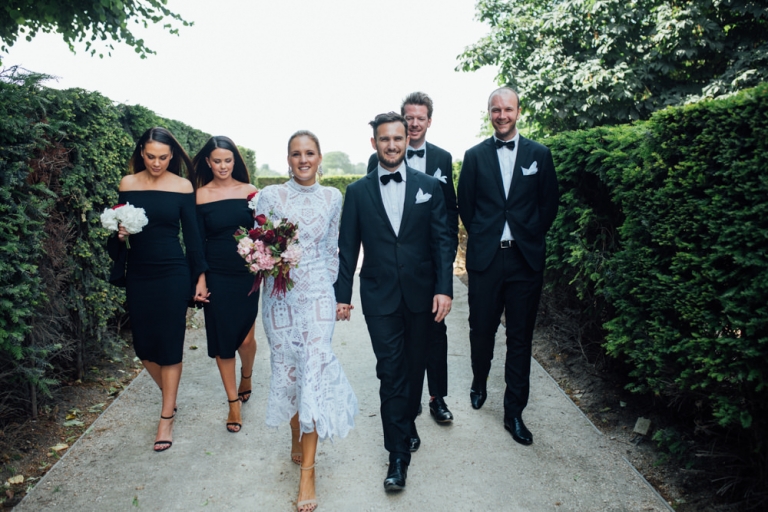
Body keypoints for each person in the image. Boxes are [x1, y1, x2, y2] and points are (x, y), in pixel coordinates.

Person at [335, 112, 454, 491]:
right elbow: (347, 248)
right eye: (384, 139)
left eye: (398, 139)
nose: (391, 145)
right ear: (374, 143)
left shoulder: (428, 186)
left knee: (414, 367)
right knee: (390, 371)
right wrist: (343, 297)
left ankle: (408, 421)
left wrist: (444, 288)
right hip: (379, 296)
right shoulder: (356, 192)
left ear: (407, 141)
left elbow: (441, 242)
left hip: (422, 295)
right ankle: (397, 456)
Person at [256, 130, 358, 512]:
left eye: (309, 153)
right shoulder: (269, 197)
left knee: (313, 368)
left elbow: (334, 246)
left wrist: (326, 287)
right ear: (288, 158)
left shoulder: (334, 196)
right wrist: (268, 265)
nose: (303, 159)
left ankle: (308, 475)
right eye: (296, 153)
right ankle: (294, 436)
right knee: (289, 370)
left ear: (319, 158)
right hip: (279, 297)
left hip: (317, 295)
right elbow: (258, 244)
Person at [456, 87, 559, 445]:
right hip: (486, 259)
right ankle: (479, 378)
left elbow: (548, 206)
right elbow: (465, 206)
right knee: (481, 329)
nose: (502, 115)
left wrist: (527, 236)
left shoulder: (539, 155)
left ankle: (513, 412)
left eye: (508, 109)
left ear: (518, 111)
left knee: (520, 338)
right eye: (495, 110)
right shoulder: (473, 156)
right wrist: (485, 236)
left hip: (524, 260)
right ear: (489, 113)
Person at [108, 127, 208, 452]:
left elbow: (192, 238)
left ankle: (166, 416)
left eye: (163, 157)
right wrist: (119, 234)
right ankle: (171, 398)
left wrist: (200, 278)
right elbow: (117, 231)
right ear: (141, 152)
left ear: (172, 156)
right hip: (139, 272)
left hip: (172, 272)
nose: (156, 162)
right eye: (151, 156)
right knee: (143, 347)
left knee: (170, 343)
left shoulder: (182, 186)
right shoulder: (128, 184)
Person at [367, 92, 458, 425]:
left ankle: (438, 397)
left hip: (432, 264)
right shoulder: (380, 159)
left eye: (421, 118)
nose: (415, 123)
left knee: (435, 332)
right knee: (407, 337)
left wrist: (445, 268)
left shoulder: (443, 158)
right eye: (410, 118)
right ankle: (411, 401)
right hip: (398, 266)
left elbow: (449, 212)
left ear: (429, 121)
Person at [192, 136, 259, 434]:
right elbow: (195, 242)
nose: (222, 166)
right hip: (216, 272)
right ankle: (233, 402)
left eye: (227, 160)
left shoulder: (249, 192)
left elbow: (263, 230)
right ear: (208, 162)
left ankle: (248, 375)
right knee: (223, 341)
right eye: (216, 160)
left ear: (235, 161)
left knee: (245, 340)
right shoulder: (199, 195)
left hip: (246, 272)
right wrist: (201, 278)